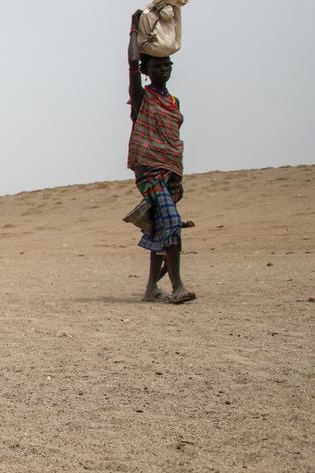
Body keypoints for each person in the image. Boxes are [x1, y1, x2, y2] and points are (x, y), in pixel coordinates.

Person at [127, 9, 196, 304]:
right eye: (157, 65)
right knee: (171, 221)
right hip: (150, 172)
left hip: (170, 172)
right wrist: (133, 30)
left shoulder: (173, 101)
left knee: (159, 226)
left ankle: (150, 289)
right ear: (147, 70)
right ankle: (178, 286)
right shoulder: (142, 97)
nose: (164, 69)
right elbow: (132, 62)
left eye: (167, 65)